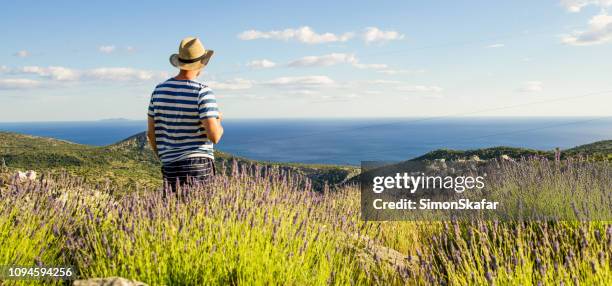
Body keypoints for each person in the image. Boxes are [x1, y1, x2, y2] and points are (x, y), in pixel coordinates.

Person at [146, 37, 223, 192]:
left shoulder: (159, 90)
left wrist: (164, 156)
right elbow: (214, 136)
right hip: (198, 166)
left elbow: (151, 133)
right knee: (200, 213)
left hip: (169, 166)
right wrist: (219, 121)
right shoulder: (202, 91)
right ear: (202, 63)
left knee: (175, 213)